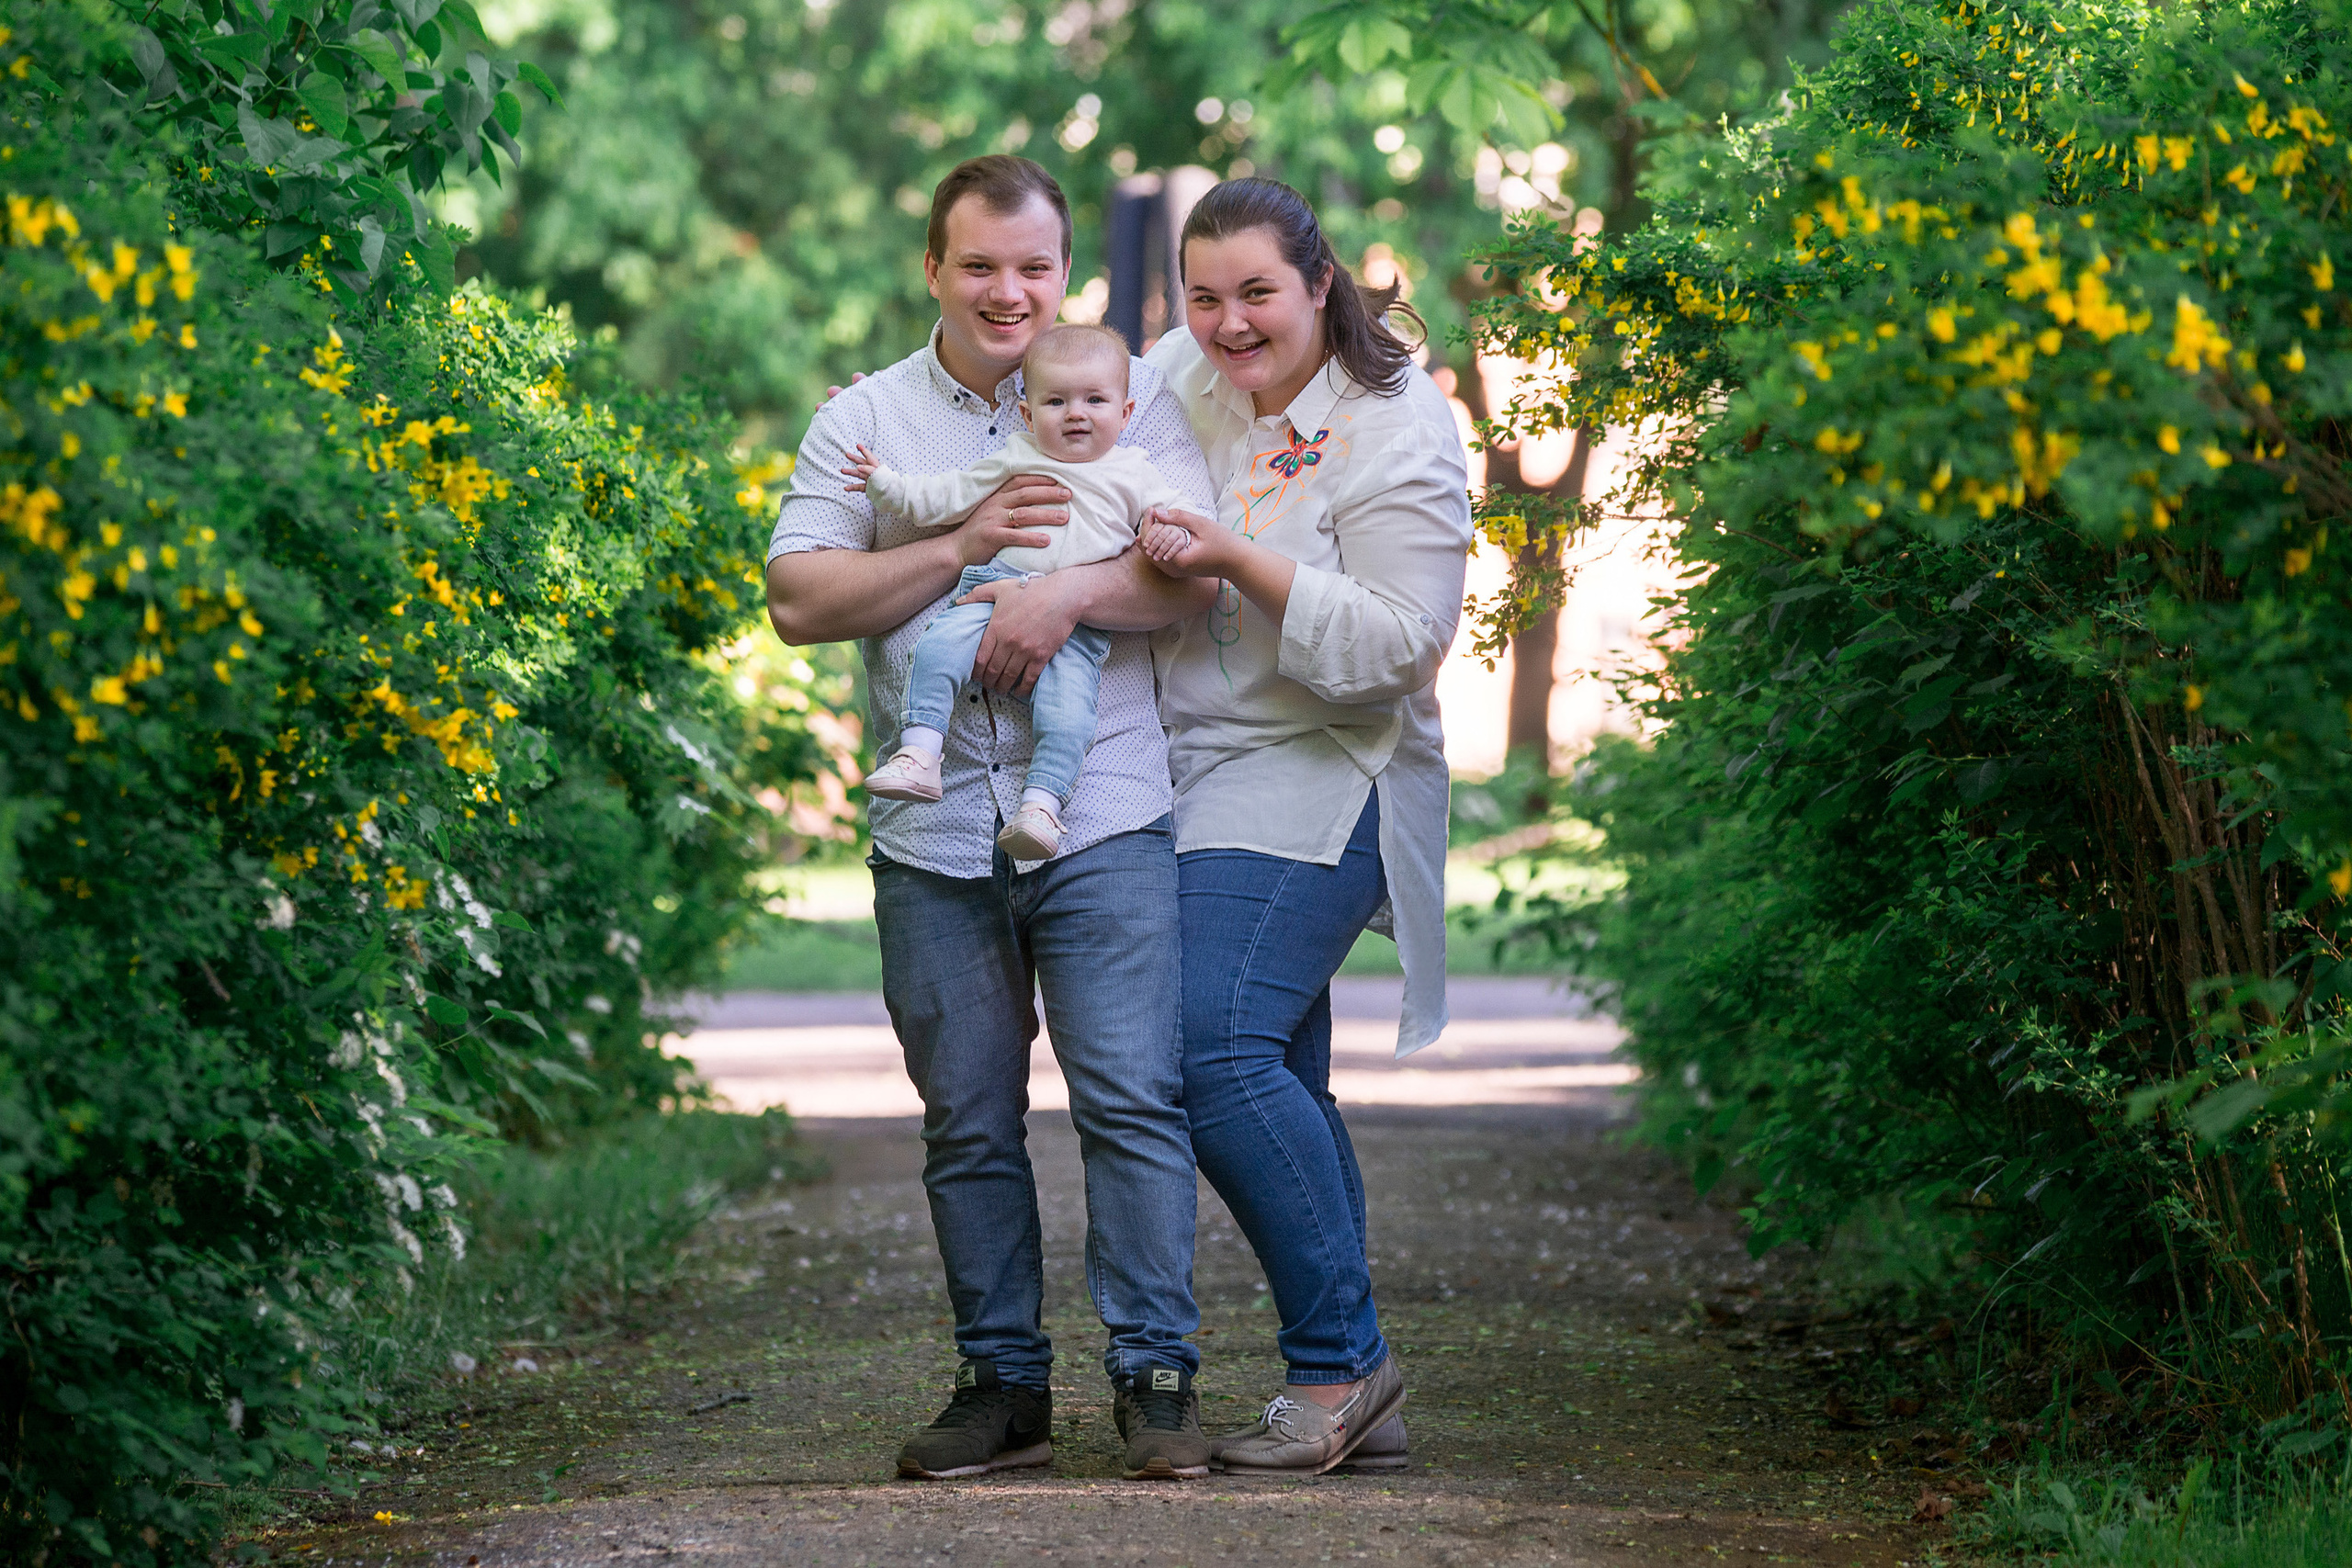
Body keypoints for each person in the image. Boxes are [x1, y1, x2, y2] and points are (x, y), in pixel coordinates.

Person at [764, 155, 1220, 1482]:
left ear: (1062, 271)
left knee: (1132, 1097)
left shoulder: (1134, 400)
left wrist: (1058, 597)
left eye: (1033, 265)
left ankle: (1157, 1375)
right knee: (966, 1116)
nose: (1010, 289)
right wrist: (961, 553)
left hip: (1106, 812)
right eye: (981, 264)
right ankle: (1003, 1381)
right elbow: (799, 595)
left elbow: (1191, 584)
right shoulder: (866, 418)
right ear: (934, 268)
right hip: (934, 833)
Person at [1136, 177, 1472, 1475]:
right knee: (1274, 1067)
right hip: (1186, 763)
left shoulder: (1398, 424)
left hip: (1333, 762)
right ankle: (1350, 1378)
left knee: (1207, 1046)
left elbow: (1403, 644)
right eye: (1205, 294)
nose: (1228, 323)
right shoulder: (1175, 374)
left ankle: (1339, 1363)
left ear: (1320, 284)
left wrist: (1237, 556)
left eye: (1257, 292)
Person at [849, 323, 1199, 862]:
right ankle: (920, 753)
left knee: (1068, 713)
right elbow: (946, 497)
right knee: (938, 650)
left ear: (1124, 414)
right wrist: (886, 484)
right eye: (1056, 401)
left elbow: (1176, 519)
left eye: (1095, 400)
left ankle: (1041, 806)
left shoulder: (1134, 473)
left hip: (1078, 626)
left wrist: (1168, 532)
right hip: (991, 590)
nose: (1076, 413)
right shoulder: (1017, 455)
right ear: (1028, 414)